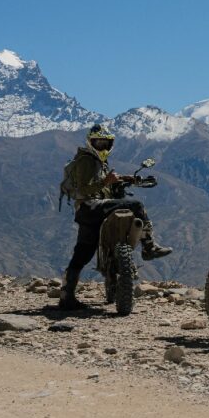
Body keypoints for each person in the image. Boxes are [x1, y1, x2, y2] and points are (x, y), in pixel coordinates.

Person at [59, 124, 172, 310]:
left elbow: (103, 187)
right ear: (90, 142)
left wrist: (122, 180)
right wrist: (106, 181)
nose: (103, 147)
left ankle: (66, 295)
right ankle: (149, 246)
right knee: (136, 205)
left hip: (86, 211)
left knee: (83, 252)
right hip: (92, 206)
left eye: (106, 143)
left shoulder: (95, 161)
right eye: (99, 143)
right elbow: (84, 189)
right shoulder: (87, 161)